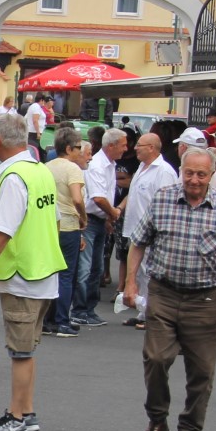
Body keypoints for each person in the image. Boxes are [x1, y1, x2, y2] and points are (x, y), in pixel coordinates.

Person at [124, 146, 216, 431]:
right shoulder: (165, 197)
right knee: (156, 359)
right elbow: (138, 242)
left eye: (201, 174)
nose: (194, 180)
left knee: (202, 372)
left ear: (212, 176)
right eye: (189, 173)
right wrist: (129, 283)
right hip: (164, 294)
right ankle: (156, 423)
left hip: (205, 299)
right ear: (181, 171)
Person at [0, 112, 65, 431]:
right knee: (28, 350)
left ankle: (15, 416)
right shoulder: (40, 172)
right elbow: (56, 221)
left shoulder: (13, 178)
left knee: (20, 352)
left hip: (22, 275)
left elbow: (3, 231)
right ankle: (28, 411)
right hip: (44, 272)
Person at [118, 131, 177, 327]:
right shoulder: (143, 167)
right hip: (135, 229)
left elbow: (166, 204)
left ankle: (154, 314)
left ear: (151, 148)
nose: (135, 148)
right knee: (141, 273)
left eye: (140, 145)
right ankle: (144, 312)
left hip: (153, 231)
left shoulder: (164, 171)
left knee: (150, 272)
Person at [72, 127, 125, 326]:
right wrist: (113, 213)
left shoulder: (109, 165)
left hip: (99, 220)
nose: (125, 149)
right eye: (123, 145)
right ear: (110, 145)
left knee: (97, 267)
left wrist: (109, 218)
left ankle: (88, 309)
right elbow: (98, 197)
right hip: (91, 219)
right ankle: (80, 309)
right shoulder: (98, 166)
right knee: (86, 268)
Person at [41, 126, 89, 338]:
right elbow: (77, 198)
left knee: (51, 273)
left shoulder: (46, 167)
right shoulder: (72, 169)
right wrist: (83, 218)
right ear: (69, 149)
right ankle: (62, 320)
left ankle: (48, 319)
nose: (80, 151)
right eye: (78, 147)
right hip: (69, 224)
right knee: (67, 274)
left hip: (50, 224)